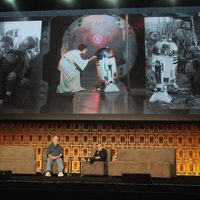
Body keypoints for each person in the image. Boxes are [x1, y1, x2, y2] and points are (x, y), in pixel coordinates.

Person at [0, 36, 24, 103]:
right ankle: (2, 96)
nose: (4, 48)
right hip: (2, 73)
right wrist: (2, 55)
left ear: (12, 46)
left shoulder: (16, 53)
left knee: (9, 83)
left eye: (7, 46)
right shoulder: (2, 55)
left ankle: (8, 96)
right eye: (2, 47)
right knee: (1, 83)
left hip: (11, 72)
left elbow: (20, 62)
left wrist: (14, 72)